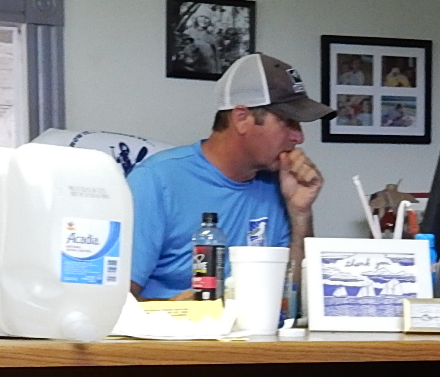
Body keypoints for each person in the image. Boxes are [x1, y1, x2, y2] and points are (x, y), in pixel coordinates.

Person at [127, 53, 333, 300]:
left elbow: (292, 297)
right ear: (242, 118)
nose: (299, 137)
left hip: (255, 325)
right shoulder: (155, 181)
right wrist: (173, 311)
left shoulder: (279, 185)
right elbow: (113, 302)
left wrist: (300, 213)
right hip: (175, 326)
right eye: (288, 122)